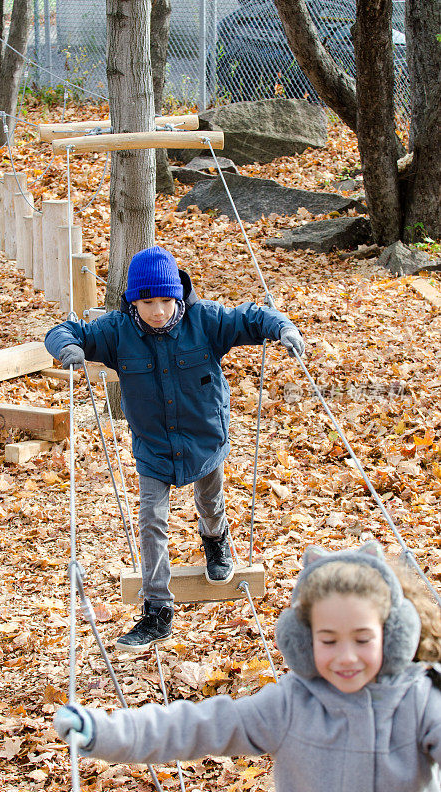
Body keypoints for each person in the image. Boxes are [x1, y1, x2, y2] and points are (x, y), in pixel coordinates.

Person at [45, 245, 304, 651]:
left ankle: (216, 539)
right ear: (134, 300)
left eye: (167, 301)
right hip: (154, 446)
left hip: (203, 438)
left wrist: (283, 327)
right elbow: (64, 330)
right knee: (151, 520)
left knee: (210, 498)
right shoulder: (117, 331)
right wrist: (69, 349)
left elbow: (252, 318)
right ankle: (157, 611)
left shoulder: (205, 320)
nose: (159, 311)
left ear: (178, 296)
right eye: (148, 302)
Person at [53, 541, 441, 792]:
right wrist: (101, 732)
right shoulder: (289, 705)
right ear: (303, 641)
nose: (346, 657)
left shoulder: (421, 700)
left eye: (362, 639)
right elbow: (193, 727)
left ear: (393, 634)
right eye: (328, 640)